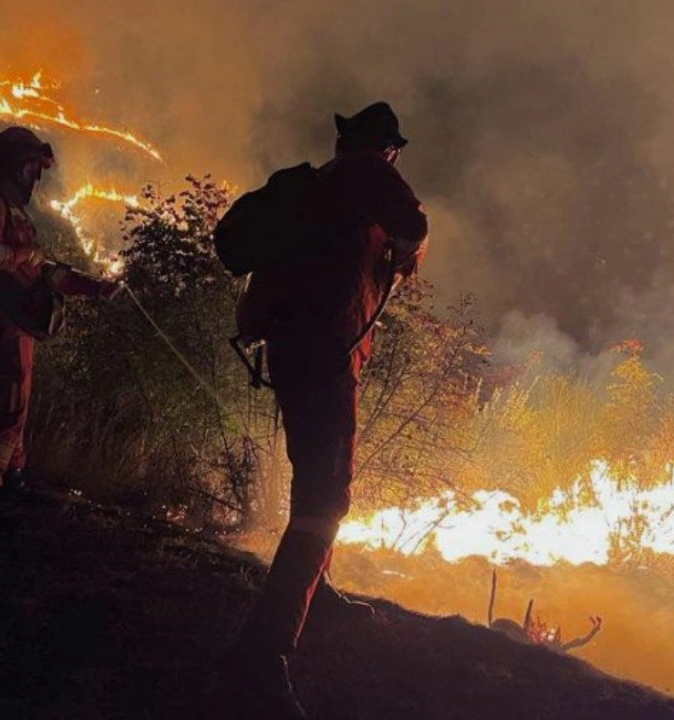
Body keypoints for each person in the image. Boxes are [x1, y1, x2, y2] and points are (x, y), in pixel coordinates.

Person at [226, 102, 428, 718]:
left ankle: (317, 590)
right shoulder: (370, 173)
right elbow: (414, 224)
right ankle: (262, 655)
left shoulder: (315, 188)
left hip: (296, 351)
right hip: (325, 356)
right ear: (383, 148)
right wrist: (405, 248)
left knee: (313, 476)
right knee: (326, 496)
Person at [0, 126, 119, 530]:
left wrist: (93, 287)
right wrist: (27, 254)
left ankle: (12, 480)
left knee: (14, 405)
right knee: (5, 408)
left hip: (13, 322)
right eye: (33, 169)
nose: (37, 179)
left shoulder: (11, 211)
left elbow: (39, 272)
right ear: (20, 167)